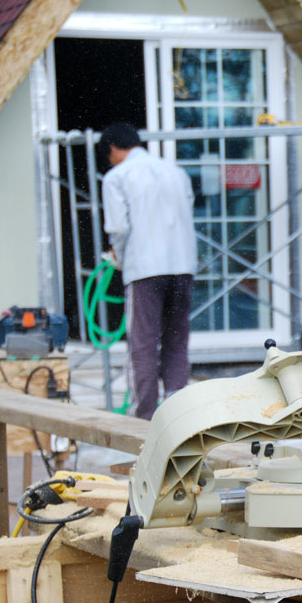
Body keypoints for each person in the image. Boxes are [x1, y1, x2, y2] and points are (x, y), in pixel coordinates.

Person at [99, 123, 197, 420]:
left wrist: (117, 255)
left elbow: (118, 226)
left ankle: (144, 418)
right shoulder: (175, 172)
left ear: (113, 149)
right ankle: (178, 413)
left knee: (143, 342)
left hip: (144, 267)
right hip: (183, 265)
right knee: (176, 338)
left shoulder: (117, 176)